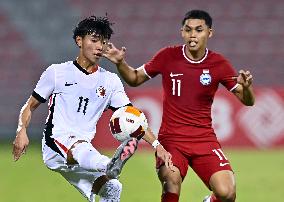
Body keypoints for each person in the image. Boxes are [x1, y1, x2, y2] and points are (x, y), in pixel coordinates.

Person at [12, 15, 173, 202]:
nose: (99, 47)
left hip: (84, 151)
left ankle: (109, 167)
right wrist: (21, 130)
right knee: (83, 150)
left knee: (112, 188)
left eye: (104, 42)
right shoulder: (56, 72)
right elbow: (29, 105)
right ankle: (108, 164)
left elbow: (133, 117)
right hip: (56, 144)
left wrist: (157, 145)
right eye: (94, 40)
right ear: (79, 41)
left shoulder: (110, 81)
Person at [104, 10, 255, 202]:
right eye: (188, 30)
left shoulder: (219, 64)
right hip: (172, 140)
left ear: (209, 33)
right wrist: (120, 63)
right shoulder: (168, 56)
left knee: (227, 193)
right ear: (182, 32)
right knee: (171, 179)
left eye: (199, 30)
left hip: (204, 139)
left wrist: (247, 88)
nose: (193, 35)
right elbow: (134, 78)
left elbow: (248, 101)